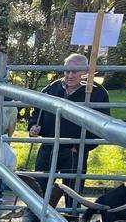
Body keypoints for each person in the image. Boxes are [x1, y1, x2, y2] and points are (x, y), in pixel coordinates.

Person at [28, 52, 111, 191]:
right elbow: (37, 112)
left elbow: (101, 126)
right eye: (67, 70)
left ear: (86, 72)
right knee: (39, 189)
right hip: (49, 145)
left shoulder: (97, 93)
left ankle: (71, 212)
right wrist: (33, 127)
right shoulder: (52, 88)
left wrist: (80, 147)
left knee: (72, 192)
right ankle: (36, 213)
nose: (70, 75)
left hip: (74, 150)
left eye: (75, 71)